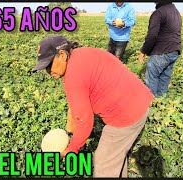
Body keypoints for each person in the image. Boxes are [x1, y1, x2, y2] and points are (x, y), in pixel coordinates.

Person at [32, 35, 154, 177]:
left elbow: (85, 123)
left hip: (126, 116)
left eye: (48, 65)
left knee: (103, 166)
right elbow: (76, 105)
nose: (47, 71)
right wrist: (70, 131)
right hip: (139, 100)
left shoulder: (73, 77)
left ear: (62, 55)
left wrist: (71, 149)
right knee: (116, 156)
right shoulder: (80, 55)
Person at [139, 0, 182, 97]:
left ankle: (151, 103)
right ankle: (161, 103)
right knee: (164, 77)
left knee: (152, 77)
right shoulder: (176, 11)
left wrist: (143, 51)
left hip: (162, 51)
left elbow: (152, 36)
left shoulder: (158, 13)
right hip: (174, 50)